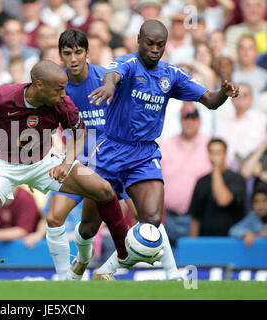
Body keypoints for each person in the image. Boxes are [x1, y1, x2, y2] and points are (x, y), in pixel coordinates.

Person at [0, 60, 132, 280]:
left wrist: (66, 164)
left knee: (103, 189)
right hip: (2, 164)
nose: (63, 93)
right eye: (58, 88)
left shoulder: (62, 104)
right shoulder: (1, 97)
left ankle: (124, 254)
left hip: (43, 161)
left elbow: (79, 133)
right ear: (39, 85)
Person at [86, 20, 239, 277]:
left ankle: (107, 269)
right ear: (139, 40)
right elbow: (113, 75)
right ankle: (78, 264)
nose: (155, 49)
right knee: (89, 227)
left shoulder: (172, 75)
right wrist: (110, 86)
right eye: (150, 43)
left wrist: (223, 93)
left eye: (160, 45)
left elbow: (210, 102)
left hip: (144, 155)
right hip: (111, 150)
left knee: (153, 220)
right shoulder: (128, 64)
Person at [44, 28, 178, 281]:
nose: (73, 59)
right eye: (67, 53)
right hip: (78, 162)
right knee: (55, 217)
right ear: (61, 56)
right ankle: (75, 268)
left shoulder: (106, 78)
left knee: (143, 217)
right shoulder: (57, 87)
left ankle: (172, 273)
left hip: (113, 159)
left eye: (78, 52)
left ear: (87, 53)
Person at [159, 103, 212, 247]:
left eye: (193, 118)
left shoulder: (209, 145)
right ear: (180, 120)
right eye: (186, 118)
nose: (189, 122)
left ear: (199, 121)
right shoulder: (165, 145)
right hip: (168, 216)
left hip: (198, 217)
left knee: (194, 262)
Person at [189, 138, 246, 237]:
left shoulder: (237, 179)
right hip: (206, 240)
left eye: (219, 152)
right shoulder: (202, 181)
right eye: (212, 152)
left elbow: (223, 200)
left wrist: (216, 168)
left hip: (233, 241)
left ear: (225, 154)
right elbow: (196, 218)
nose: (215, 156)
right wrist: (192, 244)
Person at [229, 182, 267, 247]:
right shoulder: (253, 217)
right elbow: (233, 230)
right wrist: (246, 234)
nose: (261, 205)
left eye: (264, 200)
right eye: (256, 201)